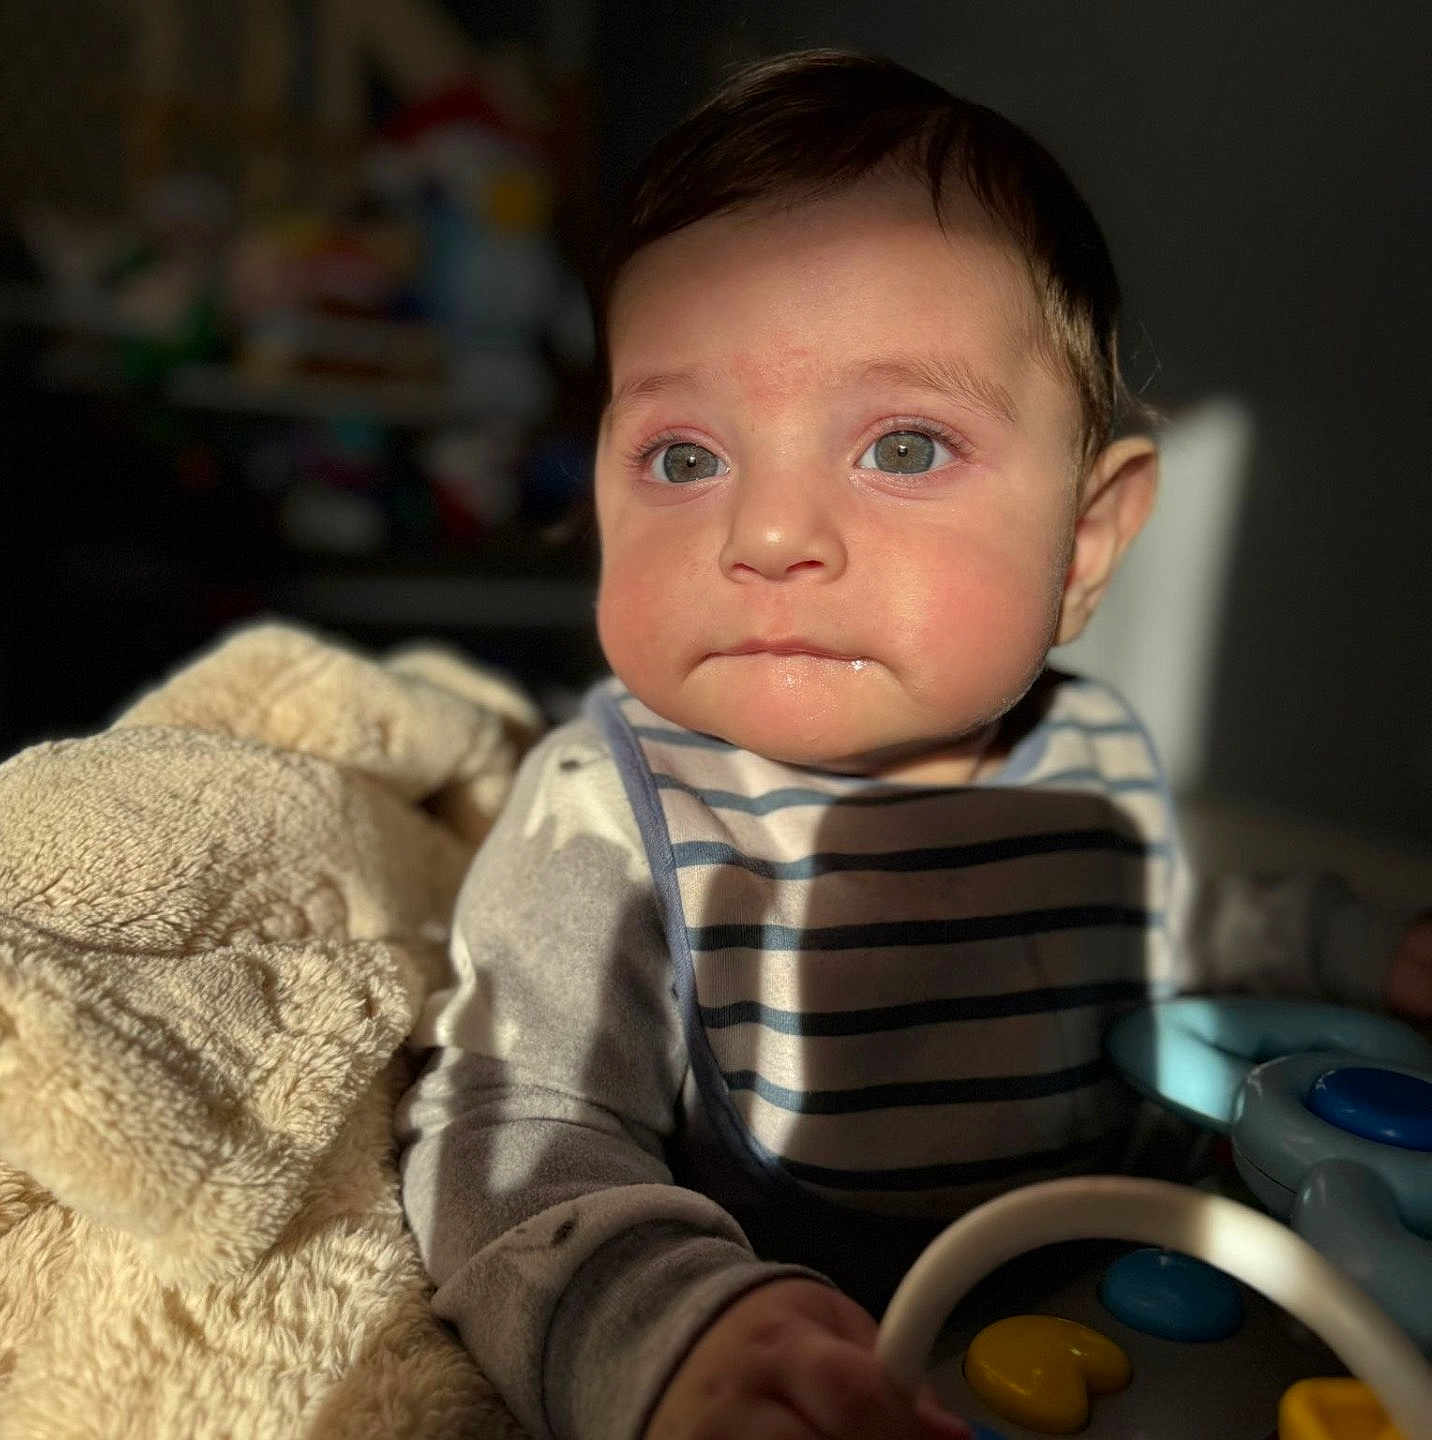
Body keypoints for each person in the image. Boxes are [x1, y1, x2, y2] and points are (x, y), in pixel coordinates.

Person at [396, 50, 1432, 1440]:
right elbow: (512, 1134)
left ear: (1087, 542)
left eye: (901, 448)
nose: (764, 535)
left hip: (1130, 1322)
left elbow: (1189, 929)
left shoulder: (1085, 759)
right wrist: (675, 1332)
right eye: (683, 457)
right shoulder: (614, 817)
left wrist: (1369, 953)